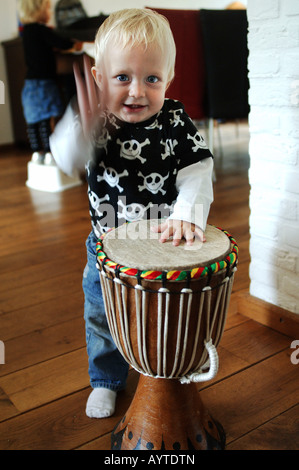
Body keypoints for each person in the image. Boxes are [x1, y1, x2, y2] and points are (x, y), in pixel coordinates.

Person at [50, 8, 214, 418]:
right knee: (101, 317)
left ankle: (167, 373)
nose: (137, 91)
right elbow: (66, 158)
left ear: (169, 79)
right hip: (105, 249)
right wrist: (81, 127)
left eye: (151, 78)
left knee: (164, 316)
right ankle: (106, 379)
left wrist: (187, 215)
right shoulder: (96, 119)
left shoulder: (175, 121)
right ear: (100, 80)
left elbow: (198, 169)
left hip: (162, 246)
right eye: (123, 77)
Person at [17, 0, 81, 165]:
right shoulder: (41, 30)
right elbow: (62, 42)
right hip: (44, 83)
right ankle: (48, 152)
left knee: (34, 121)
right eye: (47, 9)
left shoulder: (26, 32)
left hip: (30, 83)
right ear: (39, 11)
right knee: (46, 119)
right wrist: (73, 43)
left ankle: (36, 152)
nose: (50, 12)